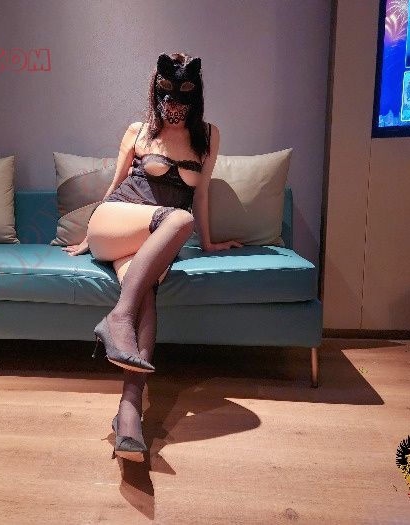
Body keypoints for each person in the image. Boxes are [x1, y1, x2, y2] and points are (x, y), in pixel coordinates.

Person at [62, 52, 243, 462]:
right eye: (167, 98)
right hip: (115, 222)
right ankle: (118, 318)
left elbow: (200, 193)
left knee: (146, 289)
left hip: (151, 241)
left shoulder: (208, 135)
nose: (174, 109)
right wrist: (90, 237)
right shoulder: (139, 131)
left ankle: (129, 413)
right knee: (180, 220)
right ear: (156, 94)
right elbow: (115, 186)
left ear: (195, 98)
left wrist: (210, 244)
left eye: (183, 99)